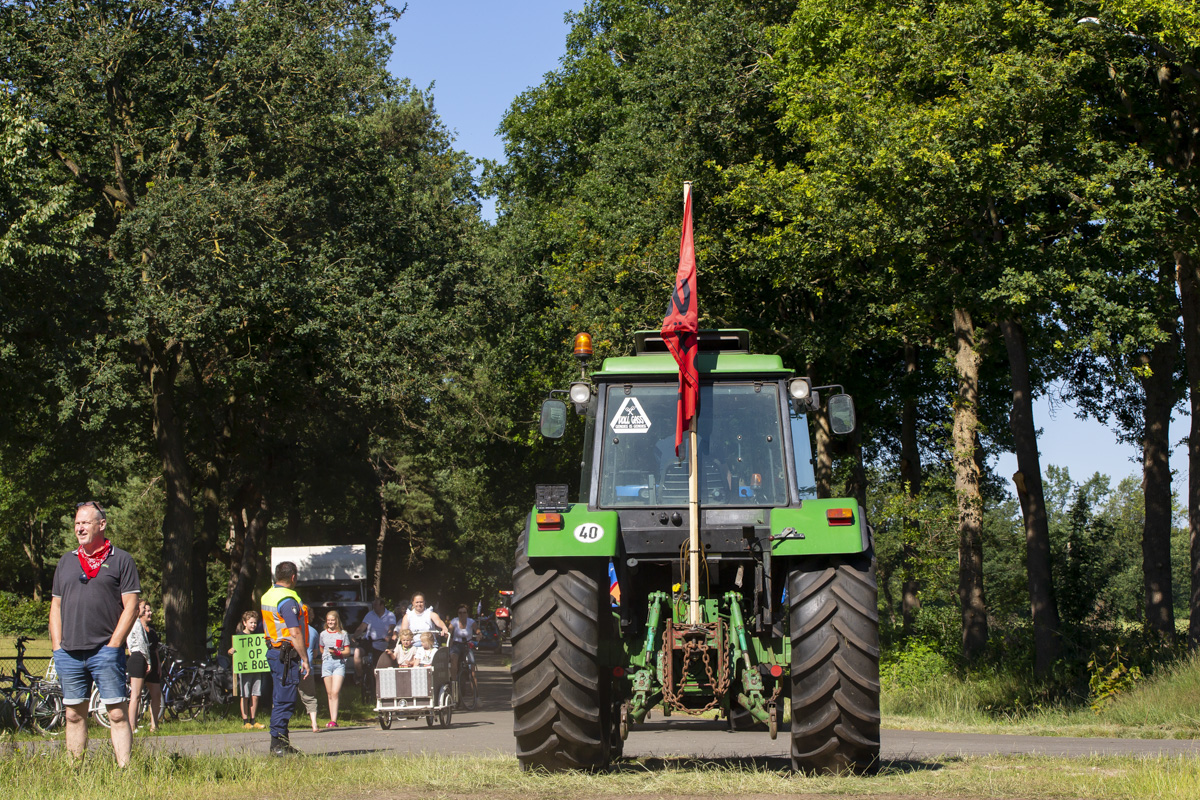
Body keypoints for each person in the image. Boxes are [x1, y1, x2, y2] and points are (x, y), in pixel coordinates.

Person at [49, 500, 141, 766]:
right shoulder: (66, 561)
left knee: (117, 714)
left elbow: (131, 606)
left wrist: (114, 645)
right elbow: (55, 606)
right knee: (73, 715)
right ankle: (75, 771)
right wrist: (57, 646)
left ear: (101, 525)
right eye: (77, 523)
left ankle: (125, 771)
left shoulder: (121, 560)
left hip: (105, 651)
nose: (79, 528)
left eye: (85, 523)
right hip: (69, 652)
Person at [261, 561, 311, 756]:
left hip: (275, 652)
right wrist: (304, 658)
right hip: (286, 656)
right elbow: (294, 632)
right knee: (285, 700)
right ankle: (278, 745)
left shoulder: (269, 594)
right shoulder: (287, 600)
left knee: (280, 697)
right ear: (293, 577)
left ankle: (282, 742)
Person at [126, 600, 161, 733]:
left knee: (156, 694)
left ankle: (154, 725)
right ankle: (132, 725)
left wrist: (156, 664)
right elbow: (137, 644)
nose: (148, 612)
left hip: (149, 660)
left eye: (149, 610)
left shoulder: (151, 631)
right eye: (145, 609)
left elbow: (154, 648)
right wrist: (147, 661)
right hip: (140, 659)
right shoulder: (134, 624)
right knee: (136, 695)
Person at [228, 610, 265, 728]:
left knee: (255, 695)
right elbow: (232, 651)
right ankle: (245, 721)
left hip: (256, 670)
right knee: (245, 695)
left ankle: (253, 720)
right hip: (244, 671)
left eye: (255, 623)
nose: (253, 625)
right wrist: (231, 651)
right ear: (245, 623)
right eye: (251, 622)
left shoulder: (258, 637)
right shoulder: (239, 637)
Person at [353, 596, 397, 677]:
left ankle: (376, 679)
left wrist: (389, 635)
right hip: (368, 641)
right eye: (373, 605)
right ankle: (359, 676)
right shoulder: (370, 614)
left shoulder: (390, 615)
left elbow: (391, 627)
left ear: (382, 605)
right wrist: (354, 636)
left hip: (381, 642)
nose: (374, 607)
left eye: (376, 605)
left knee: (377, 665)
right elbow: (362, 627)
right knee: (357, 652)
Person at [319, 610, 349, 727]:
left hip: (339, 663)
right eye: (328, 620)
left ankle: (334, 720)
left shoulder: (343, 634)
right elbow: (321, 648)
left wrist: (338, 653)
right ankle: (331, 719)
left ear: (337, 620)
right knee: (329, 693)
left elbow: (347, 651)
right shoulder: (323, 634)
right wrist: (327, 655)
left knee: (335, 692)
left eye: (333, 620)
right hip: (327, 663)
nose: (330, 622)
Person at [294, 606, 320, 733]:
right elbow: (315, 653)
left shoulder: (292, 630)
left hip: (293, 666)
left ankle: (281, 724)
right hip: (307, 667)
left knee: (284, 695)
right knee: (310, 696)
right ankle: (314, 723)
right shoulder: (313, 631)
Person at [447, 604, 480, 679]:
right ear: (458, 614)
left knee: (472, 668)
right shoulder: (454, 621)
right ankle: (454, 681)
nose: (462, 615)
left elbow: (477, 630)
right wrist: (447, 635)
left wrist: (479, 634)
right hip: (456, 645)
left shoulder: (471, 621)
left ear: (467, 614)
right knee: (453, 660)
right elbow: (449, 631)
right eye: (460, 613)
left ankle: (473, 685)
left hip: (468, 644)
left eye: (464, 612)